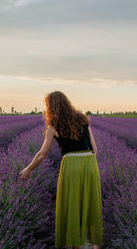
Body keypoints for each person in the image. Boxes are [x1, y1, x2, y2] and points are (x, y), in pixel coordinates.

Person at [19, 91, 103, 249]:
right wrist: (87, 163)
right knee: (90, 202)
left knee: (72, 204)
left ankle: (76, 244)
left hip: (72, 165)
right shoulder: (83, 119)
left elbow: (42, 154)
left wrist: (28, 169)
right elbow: (95, 148)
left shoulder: (53, 126)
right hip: (90, 163)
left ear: (51, 107)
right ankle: (92, 244)